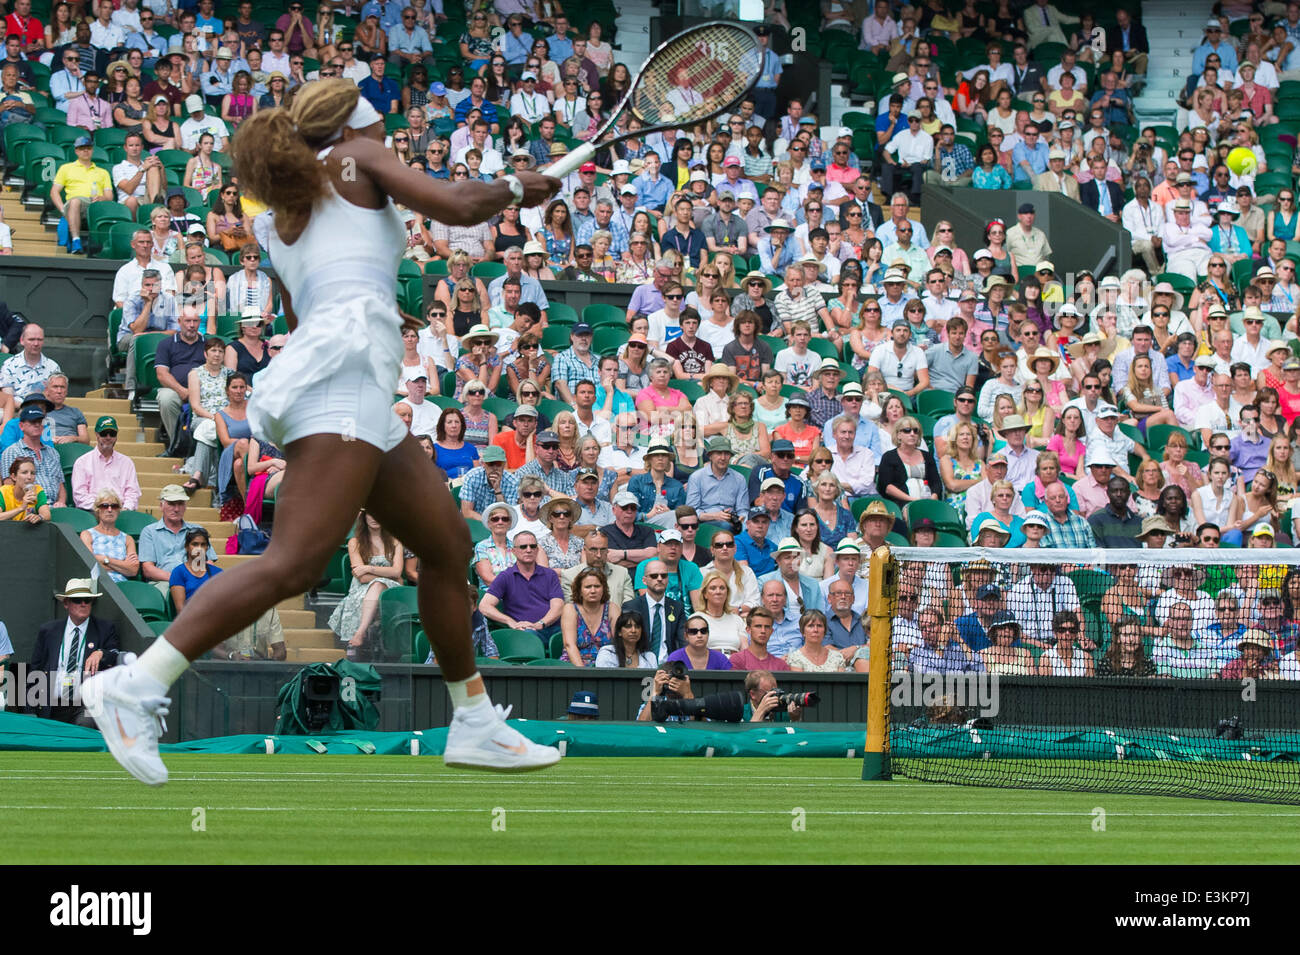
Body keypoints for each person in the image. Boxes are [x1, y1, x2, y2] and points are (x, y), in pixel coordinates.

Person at [84, 80, 566, 784]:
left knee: (447, 544)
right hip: (345, 376)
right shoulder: (356, 159)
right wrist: (519, 189)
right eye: (379, 126)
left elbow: (308, 307)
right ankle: (135, 685)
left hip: (353, 376)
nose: (386, 138)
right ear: (351, 128)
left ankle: (474, 720)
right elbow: (460, 205)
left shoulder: (280, 217)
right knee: (296, 562)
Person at [28, 579, 122, 724]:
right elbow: (36, 669)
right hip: (53, 702)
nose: (83, 604)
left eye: (88, 600)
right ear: (66, 603)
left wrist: (101, 653)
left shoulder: (104, 629)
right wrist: (30, 710)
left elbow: (115, 654)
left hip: (85, 704)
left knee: (85, 724)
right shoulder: (49, 631)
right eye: (78, 600)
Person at [71, 415, 141, 512]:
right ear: (97, 434)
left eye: (112, 433)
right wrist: (102, 508)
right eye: (104, 433)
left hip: (121, 512)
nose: (108, 437)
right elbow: (79, 495)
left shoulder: (127, 462)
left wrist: (126, 508)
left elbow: (133, 493)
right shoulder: (82, 462)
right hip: (91, 513)